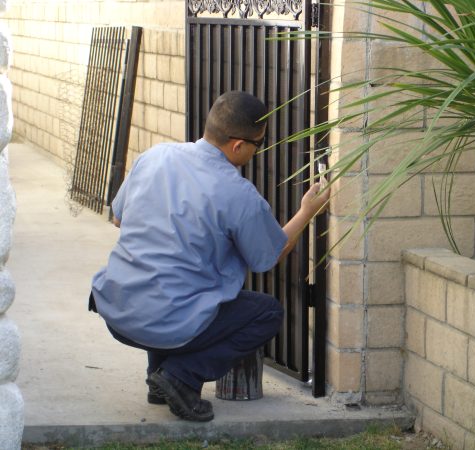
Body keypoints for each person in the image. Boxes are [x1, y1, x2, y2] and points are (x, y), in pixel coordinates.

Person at [89, 91, 330, 422]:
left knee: (170, 281)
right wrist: (307, 212)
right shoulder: (237, 193)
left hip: (117, 310)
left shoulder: (154, 156)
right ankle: (181, 376)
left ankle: (159, 383)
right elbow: (270, 255)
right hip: (166, 320)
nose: (257, 151)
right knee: (266, 313)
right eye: (258, 145)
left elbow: (118, 218)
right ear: (237, 146)